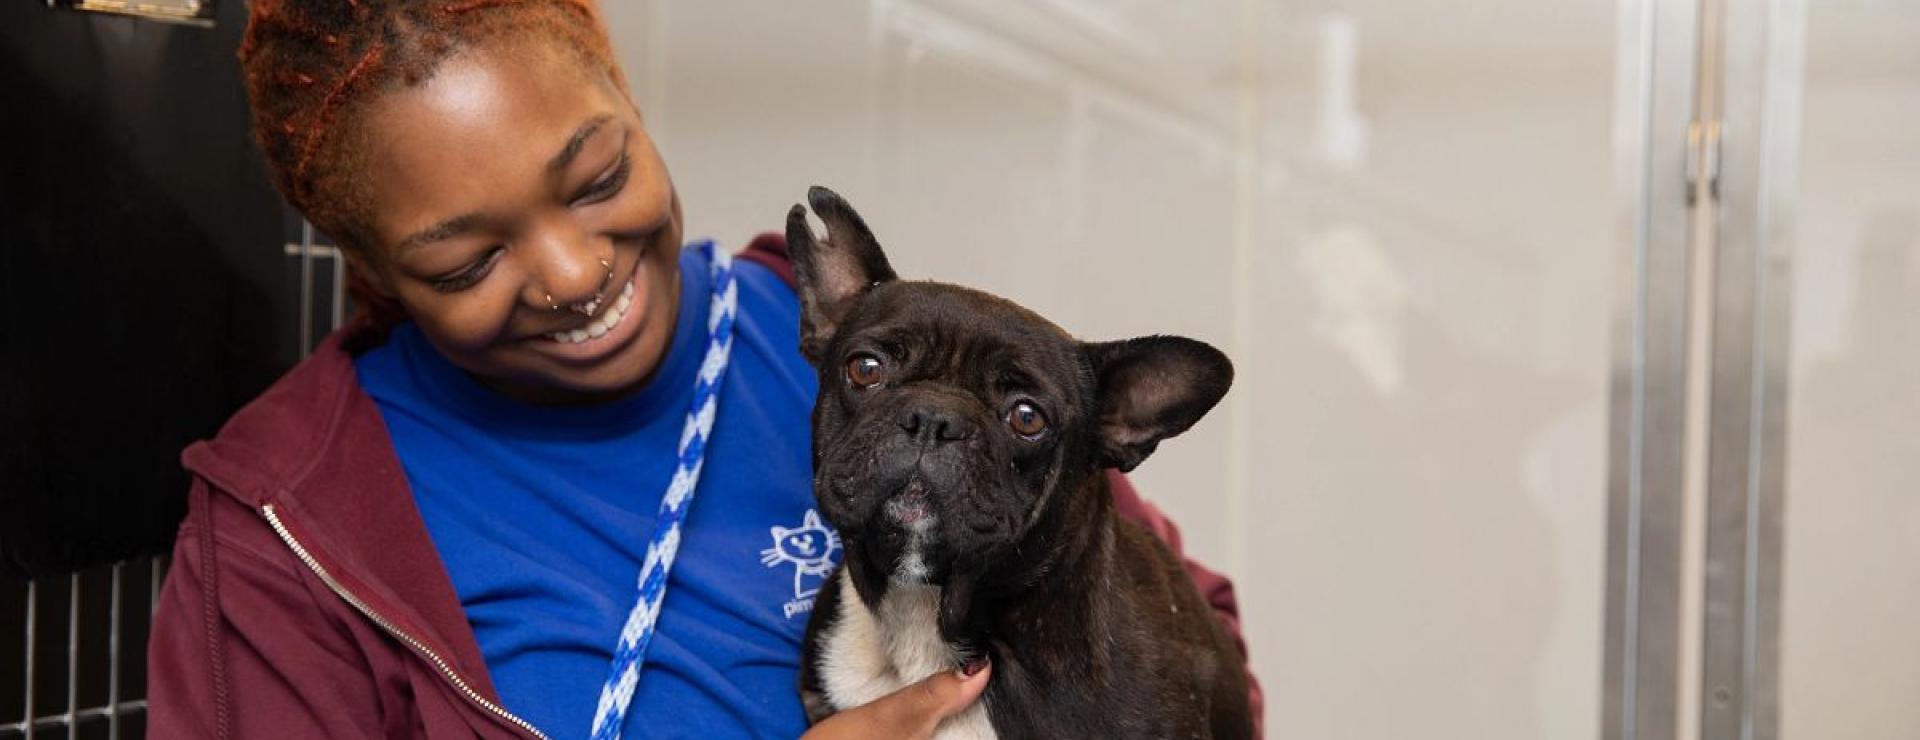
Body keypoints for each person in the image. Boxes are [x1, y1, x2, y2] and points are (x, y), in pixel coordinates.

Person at [146, 1, 1263, 738]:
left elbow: (1191, 639)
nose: (572, 270)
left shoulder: (825, 336)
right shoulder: (288, 529)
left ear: (631, 101)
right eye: (469, 257)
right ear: (369, 259)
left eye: (595, 178)